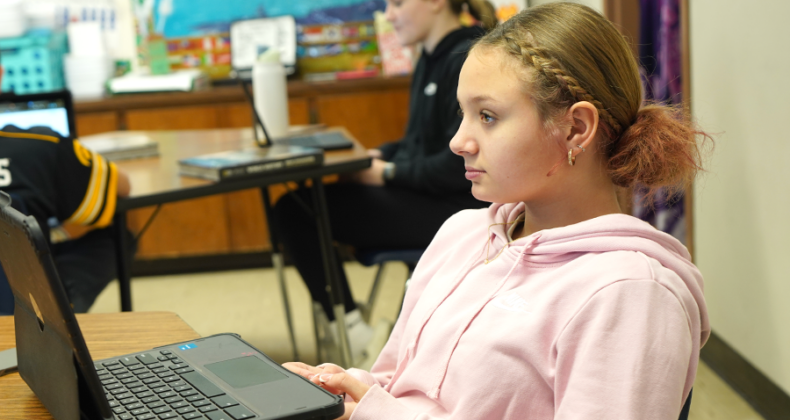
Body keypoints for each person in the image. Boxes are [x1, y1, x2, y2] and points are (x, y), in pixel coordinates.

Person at [283, 3, 711, 419]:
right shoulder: (461, 233)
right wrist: (348, 389)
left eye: (487, 116)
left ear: (576, 129)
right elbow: (395, 381)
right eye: (462, 114)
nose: (457, 142)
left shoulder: (628, 294)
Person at [272, 0, 496, 360]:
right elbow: (417, 144)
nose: (388, 15)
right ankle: (348, 325)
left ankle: (352, 331)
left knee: (295, 210)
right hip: (424, 193)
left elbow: (457, 163)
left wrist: (386, 172)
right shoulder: (429, 56)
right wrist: (377, 156)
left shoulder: (466, 58)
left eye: (397, 3)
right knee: (300, 202)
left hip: (454, 207)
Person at [0, 62, 132, 313]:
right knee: (115, 236)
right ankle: (61, 307)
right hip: (28, 306)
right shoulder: (43, 143)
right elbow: (121, 186)